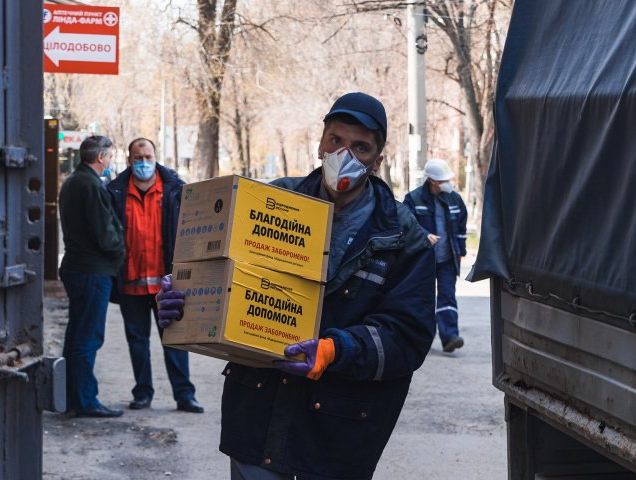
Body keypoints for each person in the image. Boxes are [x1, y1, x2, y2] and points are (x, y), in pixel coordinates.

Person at [157, 92, 437, 480]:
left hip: (337, 435)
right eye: (336, 141)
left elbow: (409, 336)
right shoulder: (270, 202)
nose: (345, 154)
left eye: (360, 146)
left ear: (378, 159)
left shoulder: (403, 236)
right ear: (320, 143)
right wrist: (183, 298)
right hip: (257, 415)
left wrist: (334, 350)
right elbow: (223, 278)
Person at [107, 138, 204, 413]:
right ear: (129, 160)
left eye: (148, 156)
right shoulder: (115, 191)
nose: (144, 163)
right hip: (131, 283)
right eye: (138, 158)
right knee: (137, 343)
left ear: (155, 156)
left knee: (175, 340)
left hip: (168, 283)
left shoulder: (175, 189)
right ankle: (142, 393)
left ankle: (185, 395)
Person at [58, 135, 126, 418]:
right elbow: (104, 235)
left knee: (76, 336)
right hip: (92, 271)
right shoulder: (91, 185)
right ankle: (85, 400)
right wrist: (121, 247)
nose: (110, 162)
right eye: (109, 157)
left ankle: (71, 397)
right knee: (88, 338)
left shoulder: (73, 182)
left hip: (77, 267)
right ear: (100, 158)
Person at [403, 159, 468, 353]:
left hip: (448, 259)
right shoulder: (413, 199)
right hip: (425, 259)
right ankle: (421, 339)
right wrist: (424, 234)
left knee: (448, 297)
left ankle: (450, 337)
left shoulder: (454, 199)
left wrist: (461, 252)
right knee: (424, 300)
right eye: (443, 180)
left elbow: (462, 227)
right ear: (432, 181)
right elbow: (406, 222)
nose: (448, 183)